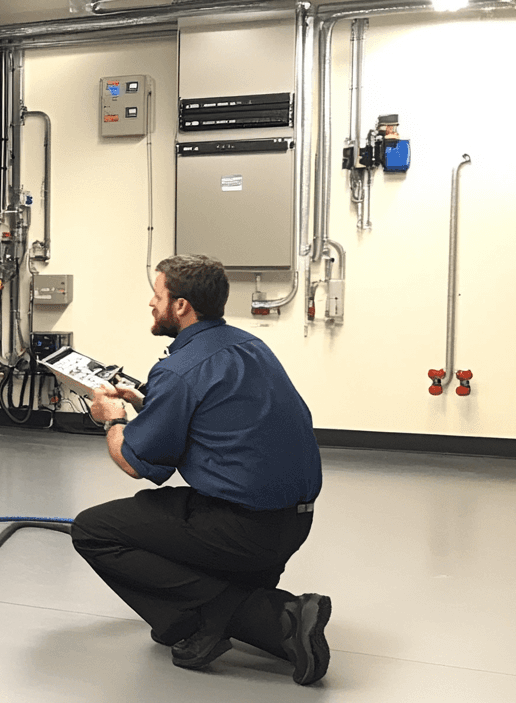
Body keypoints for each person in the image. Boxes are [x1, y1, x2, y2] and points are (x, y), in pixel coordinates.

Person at [72, 253, 331, 685]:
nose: (150, 304)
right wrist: (144, 401)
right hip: (292, 524)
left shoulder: (178, 370)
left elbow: (135, 462)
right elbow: (218, 412)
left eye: (157, 296)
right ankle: (230, 611)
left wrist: (113, 417)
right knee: (156, 513)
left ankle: (270, 619)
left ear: (180, 306)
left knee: (94, 530)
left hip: (244, 532)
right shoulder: (250, 346)